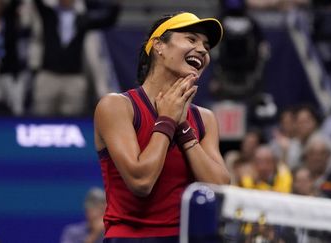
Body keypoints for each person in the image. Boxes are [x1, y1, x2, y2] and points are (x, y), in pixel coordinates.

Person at [93, 12, 230, 242]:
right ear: (159, 46)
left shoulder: (205, 119)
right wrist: (167, 120)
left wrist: (183, 126)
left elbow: (219, 190)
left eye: (206, 46)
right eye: (191, 39)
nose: (203, 50)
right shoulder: (117, 106)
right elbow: (141, 182)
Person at [32, 0, 121, 116]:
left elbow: (108, 20)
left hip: (73, 78)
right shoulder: (49, 15)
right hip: (49, 75)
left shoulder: (82, 19)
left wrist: (117, 4)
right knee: (40, 118)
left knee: (73, 119)